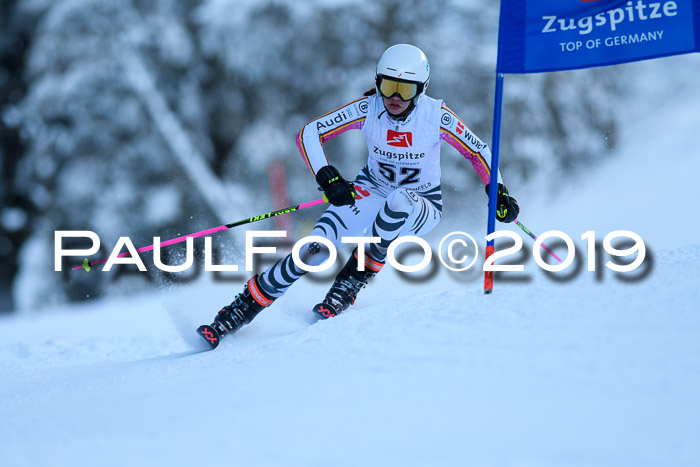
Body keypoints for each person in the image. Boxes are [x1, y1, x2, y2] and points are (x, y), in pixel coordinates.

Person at [205, 44, 519, 337]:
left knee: (399, 200)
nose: (395, 96)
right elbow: (309, 134)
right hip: (371, 191)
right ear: (378, 82)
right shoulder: (368, 108)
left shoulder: (435, 115)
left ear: (421, 90)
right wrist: (328, 177)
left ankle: (351, 280)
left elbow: (478, 151)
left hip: (422, 205)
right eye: (387, 86)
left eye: (405, 89)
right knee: (314, 249)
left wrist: (498, 190)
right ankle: (241, 309)